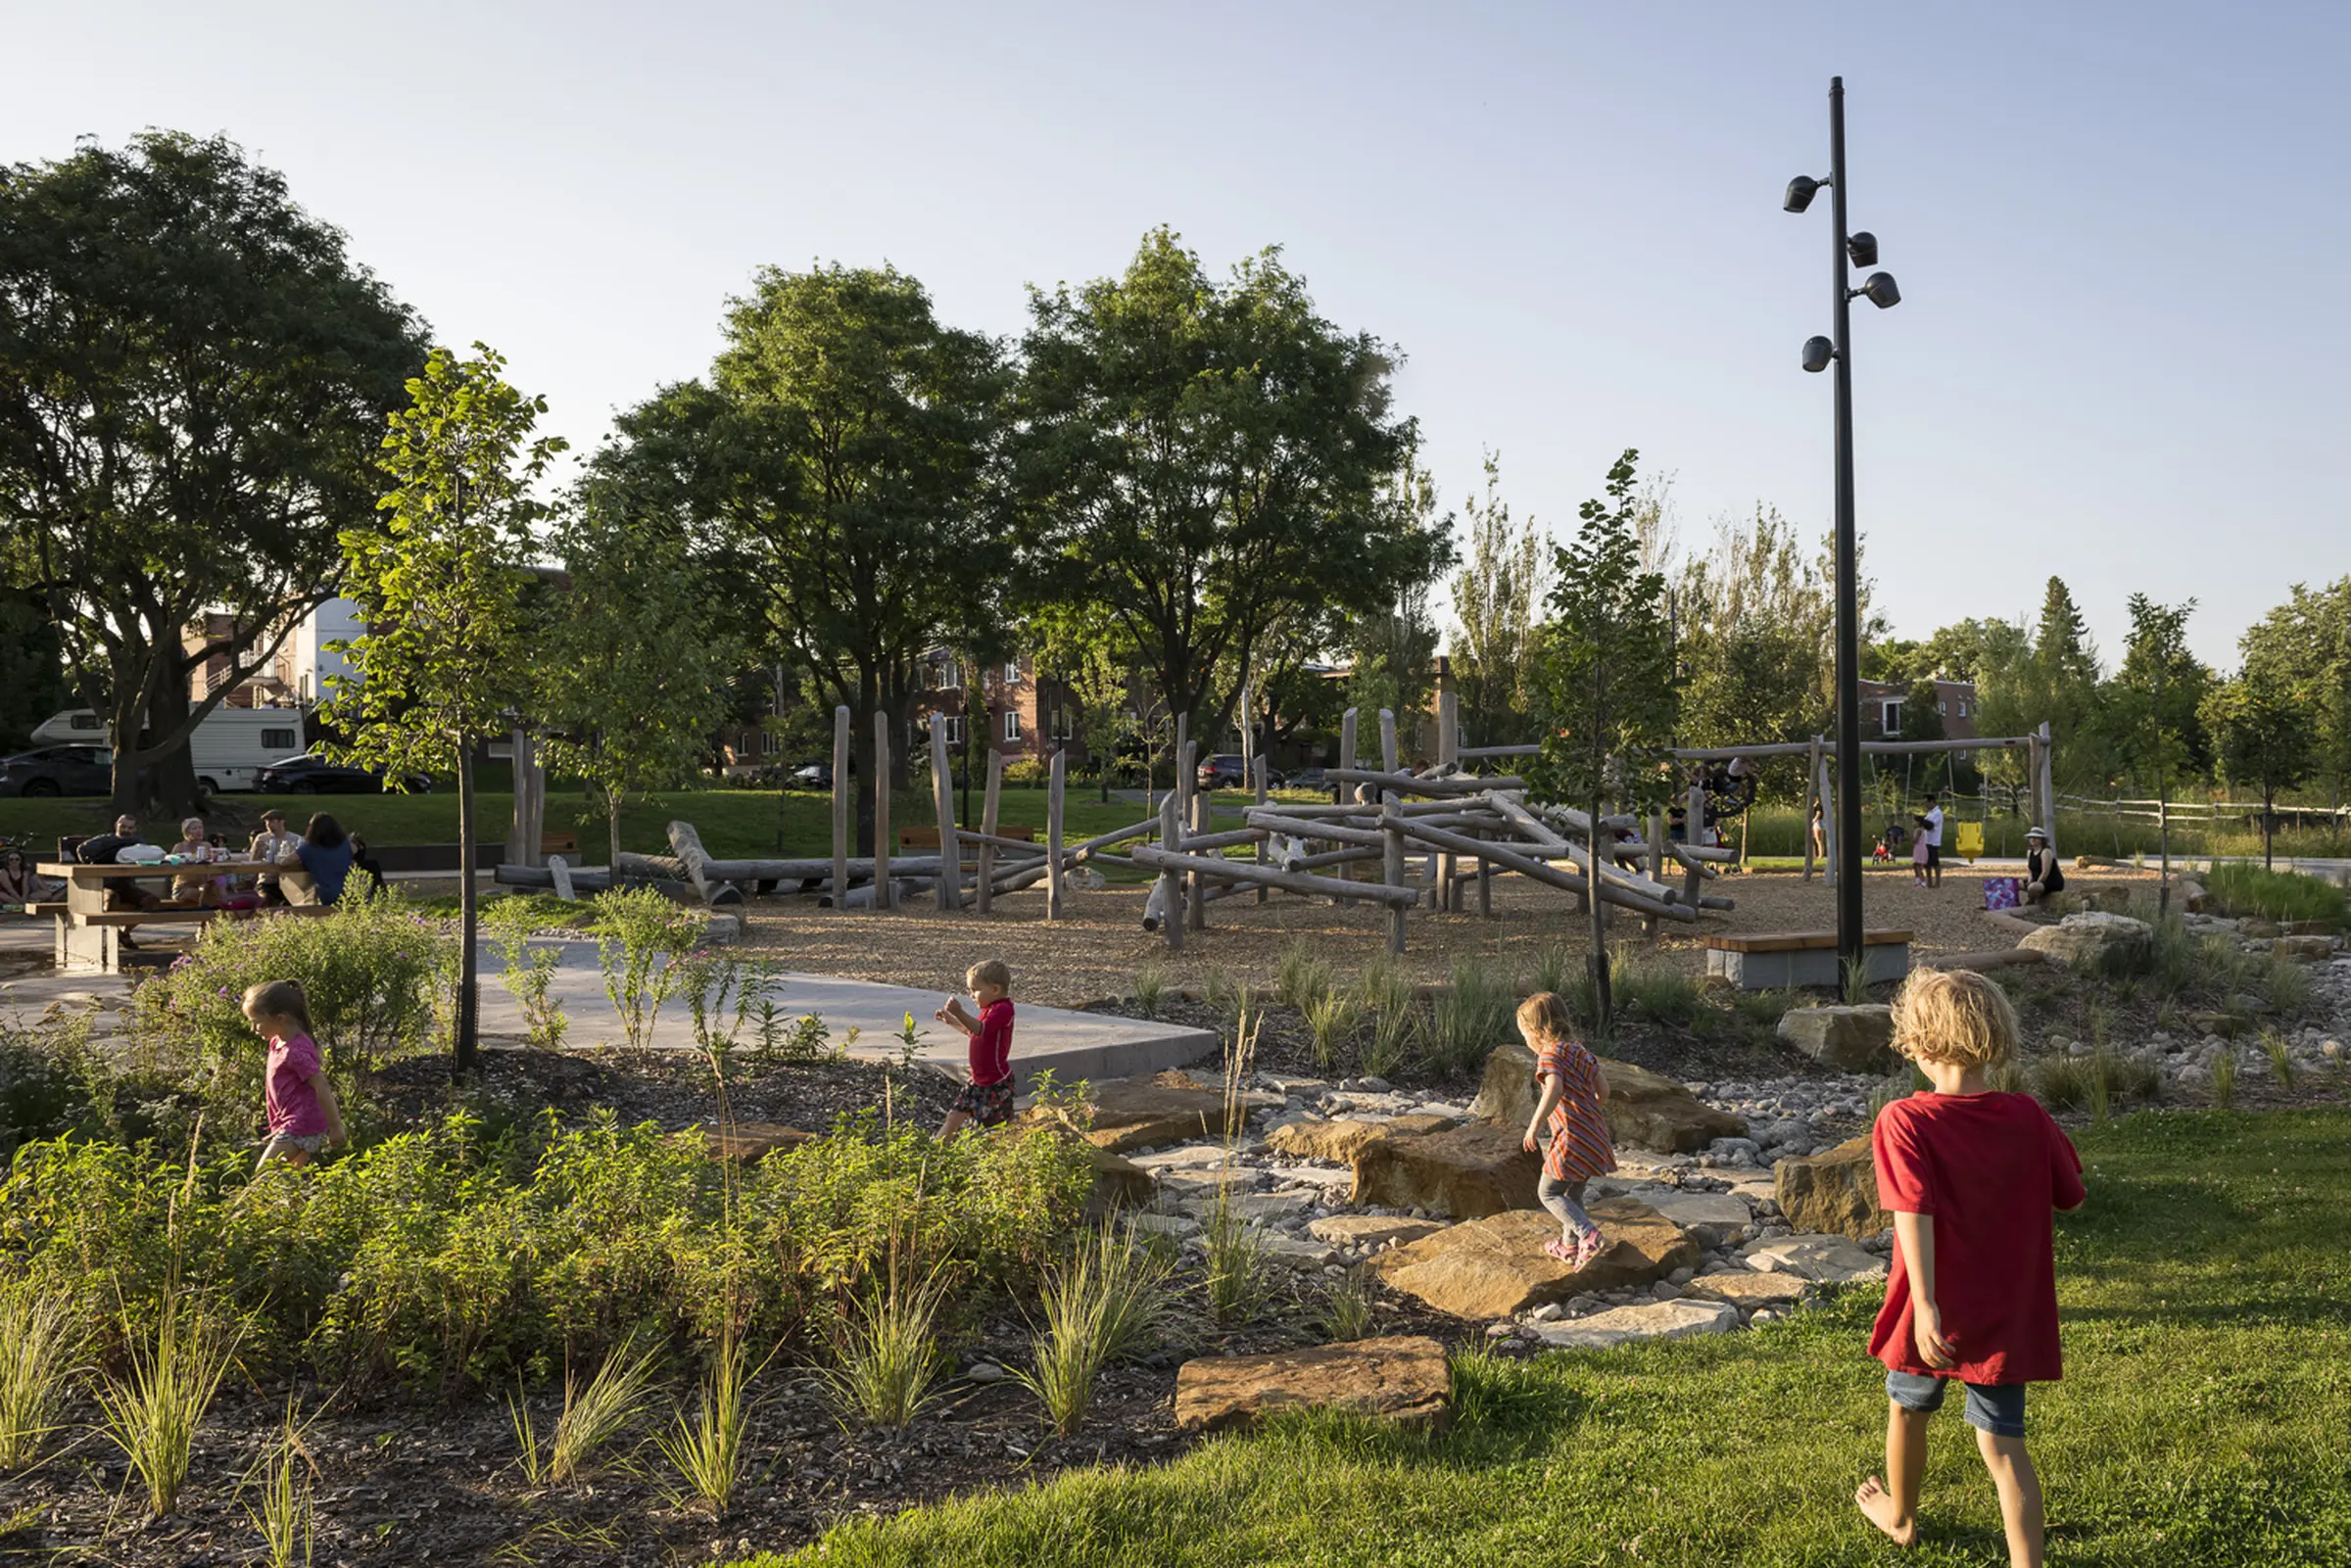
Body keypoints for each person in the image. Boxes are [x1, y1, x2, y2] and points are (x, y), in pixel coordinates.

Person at [1854, 968, 2087, 1566]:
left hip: (1929, 1307)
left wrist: (1927, 1303)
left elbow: (1912, 1209)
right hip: (2007, 1312)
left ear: (1921, 1044)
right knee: (2005, 1446)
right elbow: (2071, 1193)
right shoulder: (2029, 1116)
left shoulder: (1905, 1120)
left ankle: (1901, 1518)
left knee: (1906, 1407)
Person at [1515, 990, 1615, 1269]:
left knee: (1547, 1192)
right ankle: (1569, 1246)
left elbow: (1554, 1088)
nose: (1527, 1042)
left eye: (1525, 1036)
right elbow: (1604, 1090)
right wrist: (1588, 1111)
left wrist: (1534, 1126)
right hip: (1595, 1133)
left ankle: (1588, 1235)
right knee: (1572, 1194)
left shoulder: (1550, 1055)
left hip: (1571, 1137)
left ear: (1536, 1031)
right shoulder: (1582, 1052)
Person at [243, 978, 346, 1168]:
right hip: (292, 1123)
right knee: (288, 1181)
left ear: (280, 1019)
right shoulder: (277, 1042)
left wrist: (335, 1126)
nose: (253, 1029)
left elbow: (321, 1085)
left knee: (264, 1174)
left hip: (302, 1124)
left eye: (256, 1023)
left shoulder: (295, 1052)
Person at [933, 958, 1016, 1137]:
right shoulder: (989, 1010)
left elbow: (981, 1029)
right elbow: (973, 1032)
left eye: (975, 990)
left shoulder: (1003, 1009)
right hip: (977, 1081)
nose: (971, 995)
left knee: (996, 1129)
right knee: (954, 1116)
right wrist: (952, 1020)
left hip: (995, 1083)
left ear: (995, 989)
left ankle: (1006, 1155)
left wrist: (959, 1012)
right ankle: (934, 1154)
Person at [75, 814, 160, 911]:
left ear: (135, 829)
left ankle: (126, 925)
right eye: (123, 827)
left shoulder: (138, 843)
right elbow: (81, 849)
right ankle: (109, 923)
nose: (127, 830)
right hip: (106, 884)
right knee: (112, 899)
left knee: (151, 901)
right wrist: (90, 869)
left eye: (130, 828)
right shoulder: (104, 841)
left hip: (127, 885)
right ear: (116, 826)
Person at [281, 812, 356, 906]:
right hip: (348, 892)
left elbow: (284, 862)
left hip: (326, 895)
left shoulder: (308, 848)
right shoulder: (345, 844)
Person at [248, 809, 303, 906]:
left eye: (271, 821)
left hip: (289, 880)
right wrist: (256, 849)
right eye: (266, 821)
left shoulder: (295, 839)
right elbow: (252, 862)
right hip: (267, 881)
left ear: (281, 821)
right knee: (264, 900)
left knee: (295, 900)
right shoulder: (261, 838)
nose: (268, 824)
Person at [168, 816, 219, 906]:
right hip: (183, 888)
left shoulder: (207, 846)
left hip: (203, 886)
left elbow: (214, 864)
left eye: (200, 828)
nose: (199, 831)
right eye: (194, 828)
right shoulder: (180, 847)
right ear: (186, 832)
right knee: (203, 896)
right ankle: (208, 917)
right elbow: (171, 864)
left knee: (219, 891)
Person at [0, 848, 66, 907]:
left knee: (47, 894)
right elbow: (9, 889)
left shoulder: (24, 872)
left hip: (23, 894)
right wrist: (19, 899)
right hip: (8, 894)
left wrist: (24, 897)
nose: (14, 861)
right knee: (5, 896)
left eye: (17, 859)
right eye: (11, 860)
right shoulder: (3, 872)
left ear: (20, 861)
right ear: (8, 861)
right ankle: (20, 903)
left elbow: (25, 886)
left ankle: (24, 902)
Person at [2021, 828, 2065, 906]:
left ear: (2041, 839)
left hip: (2050, 881)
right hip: (2036, 878)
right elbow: (2031, 870)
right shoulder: (2029, 852)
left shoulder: (2046, 852)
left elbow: (2045, 872)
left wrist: (2035, 883)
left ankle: (2031, 900)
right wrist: (2030, 881)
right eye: (2031, 837)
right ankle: (2016, 902)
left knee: (2033, 887)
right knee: (2018, 883)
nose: (2032, 839)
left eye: (2035, 837)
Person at [1921, 790, 1945, 887]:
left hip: (1933, 841)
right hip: (1927, 840)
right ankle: (1929, 882)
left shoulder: (1938, 813)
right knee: (1927, 863)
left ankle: (1938, 882)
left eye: (1926, 802)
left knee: (1935, 862)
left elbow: (1930, 825)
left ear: (1932, 802)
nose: (1925, 805)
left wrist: (1921, 821)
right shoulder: (1930, 813)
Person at [1912, 818, 1932, 888]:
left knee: (1918, 866)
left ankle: (1923, 882)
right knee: (1915, 865)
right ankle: (1918, 881)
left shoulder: (1918, 830)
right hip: (1919, 848)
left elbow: (1915, 840)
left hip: (1919, 849)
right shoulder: (1922, 830)